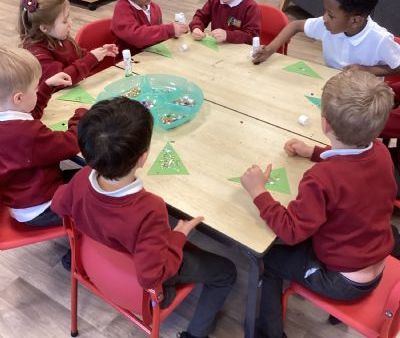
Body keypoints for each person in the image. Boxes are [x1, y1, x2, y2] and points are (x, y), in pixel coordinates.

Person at [51, 97, 237, 338]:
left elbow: (59, 205)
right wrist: (178, 237)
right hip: (144, 294)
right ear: (143, 158)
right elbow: (153, 276)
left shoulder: (81, 176)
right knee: (226, 270)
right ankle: (195, 334)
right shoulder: (150, 209)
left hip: (90, 266)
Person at [240, 70, 396, 338]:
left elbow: (291, 231)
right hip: (375, 261)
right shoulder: (381, 151)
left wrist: (258, 191)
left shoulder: (321, 179)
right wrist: (312, 151)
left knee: (268, 259)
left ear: (325, 124)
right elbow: (350, 160)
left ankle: (270, 333)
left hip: (343, 281)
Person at [0, 46, 86, 227]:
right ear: (18, 98)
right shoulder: (26, 134)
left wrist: (47, 87)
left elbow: (30, 111)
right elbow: (71, 143)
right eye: (35, 88)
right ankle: (83, 244)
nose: (37, 90)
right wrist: (81, 118)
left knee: (94, 175)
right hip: (44, 207)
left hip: (23, 197)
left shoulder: (9, 119)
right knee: (104, 191)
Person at [253, 0, 400, 76]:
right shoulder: (326, 25)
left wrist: (367, 70)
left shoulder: (380, 39)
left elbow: (398, 67)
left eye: (331, 15)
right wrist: (270, 49)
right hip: (332, 85)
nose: (324, 18)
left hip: (362, 98)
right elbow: (295, 26)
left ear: (355, 21)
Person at [19, 0, 118, 86]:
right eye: (64, 21)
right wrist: (91, 59)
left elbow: (79, 56)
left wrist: (99, 53)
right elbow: (61, 80)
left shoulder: (60, 37)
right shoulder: (37, 53)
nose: (70, 23)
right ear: (44, 28)